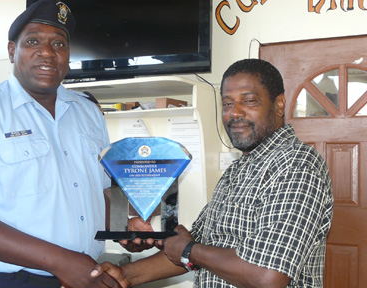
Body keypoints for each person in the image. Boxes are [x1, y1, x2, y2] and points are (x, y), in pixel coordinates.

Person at [0, 1, 151, 287]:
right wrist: (63, 262)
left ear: (68, 54)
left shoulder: (88, 111)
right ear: (13, 51)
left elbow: (102, 191)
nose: (48, 52)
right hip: (4, 281)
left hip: (85, 275)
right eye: (33, 41)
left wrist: (122, 227)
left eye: (59, 44)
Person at [91, 58, 334, 287]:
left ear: (279, 104)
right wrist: (125, 275)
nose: (235, 112)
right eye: (227, 103)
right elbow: (199, 247)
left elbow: (268, 276)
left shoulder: (296, 164)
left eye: (248, 101)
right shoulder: (237, 170)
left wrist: (188, 250)